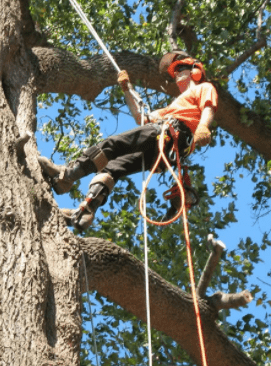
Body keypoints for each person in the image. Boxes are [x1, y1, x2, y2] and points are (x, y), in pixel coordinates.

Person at [38, 51, 218, 231]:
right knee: (112, 168)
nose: (176, 74)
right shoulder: (173, 106)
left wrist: (203, 127)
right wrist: (126, 89)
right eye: (174, 71)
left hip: (169, 134)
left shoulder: (204, 88)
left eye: (180, 69)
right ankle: (85, 211)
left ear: (195, 70)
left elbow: (207, 108)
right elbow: (142, 118)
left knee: (112, 145)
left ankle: (67, 176)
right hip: (164, 149)